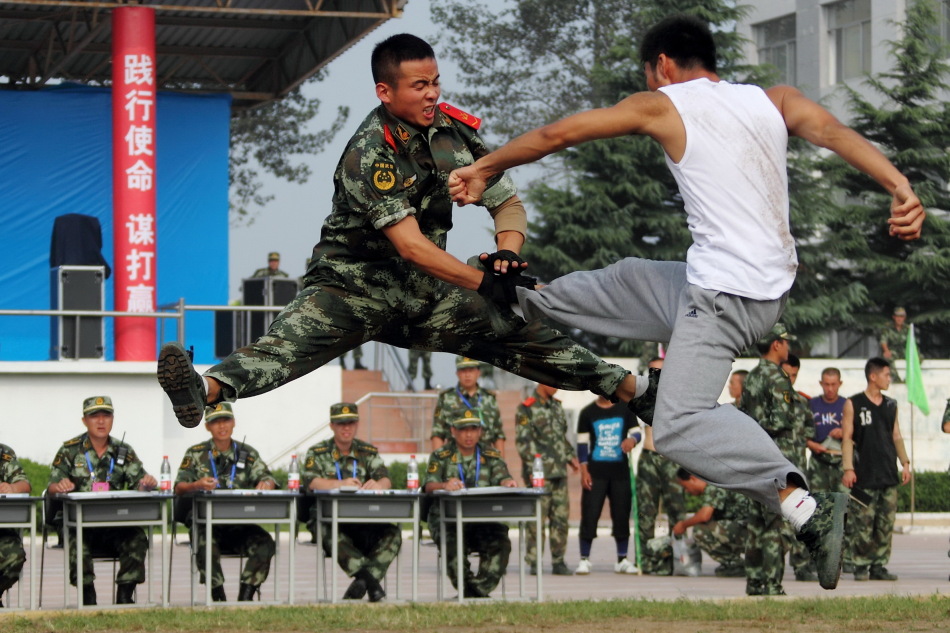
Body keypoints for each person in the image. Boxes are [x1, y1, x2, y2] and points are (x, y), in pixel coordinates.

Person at [448, 14, 925, 591]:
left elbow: (560, 135)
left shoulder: (664, 104)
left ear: (663, 67)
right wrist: (900, 187)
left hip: (725, 298)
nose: (649, 90)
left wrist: (483, 167)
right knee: (628, 279)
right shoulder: (772, 100)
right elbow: (834, 133)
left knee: (676, 424)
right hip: (740, 287)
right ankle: (526, 302)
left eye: (650, 78)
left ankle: (805, 506)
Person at [158, 34, 654, 434]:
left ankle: (633, 391)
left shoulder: (453, 133)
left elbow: (507, 201)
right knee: (284, 349)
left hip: (422, 295)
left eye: (435, 82)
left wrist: (505, 256)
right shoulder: (369, 152)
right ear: (385, 92)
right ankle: (203, 393)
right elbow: (412, 247)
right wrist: (481, 283)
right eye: (419, 85)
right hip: (351, 287)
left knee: (519, 333)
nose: (433, 94)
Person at [47, 396, 156, 606]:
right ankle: (87, 596)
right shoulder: (70, 450)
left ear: (112, 419)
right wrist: (59, 486)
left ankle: (125, 595)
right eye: (94, 416)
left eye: (106, 416)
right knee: (76, 540)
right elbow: (52, 486)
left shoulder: (123, 451)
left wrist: (147, 483)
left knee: (137, 538)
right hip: (77, 523)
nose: (100, 421)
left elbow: (139, 485)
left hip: (112, 522)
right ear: (84, 421)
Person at [173, 402, 277, 602]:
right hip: (206, 524)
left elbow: (267, 478)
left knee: (265, 543)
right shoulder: (196, 453)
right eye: (216, 422)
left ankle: (246, 595)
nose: (222, 426)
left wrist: (267, 483)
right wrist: (197, 484)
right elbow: (179, 487)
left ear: (234, 422)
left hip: (240, 524)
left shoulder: (247, 454)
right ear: (207, 426)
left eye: (226, 420)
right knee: (204, 542)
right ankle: (217, 595)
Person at [301, 402, 400, 602]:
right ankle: (370, 582)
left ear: (356, 425)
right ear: (331, 426)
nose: (346, 428)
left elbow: (385, 477)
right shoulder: (317, 452)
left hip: (365, 520)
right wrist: (340, 483)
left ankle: (362, 583)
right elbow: (311, 482)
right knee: (327, 532)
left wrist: (380, 485)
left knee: (394, 533)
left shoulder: (367, 452)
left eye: (350, 423)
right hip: (330, 521)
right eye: (341, 424)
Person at [739, 324, 809, 594]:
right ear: (776, 345)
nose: (788, 347)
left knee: (756, 523)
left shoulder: (752, 377)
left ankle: (755, 582)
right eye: (785, 342)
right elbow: (782, 420)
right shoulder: (778, 379)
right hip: (777, 461)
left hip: (753, 460)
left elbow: (744, 417)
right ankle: (772, 584)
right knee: (777, 525)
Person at [423, 412, 518, 598]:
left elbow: (503, 476)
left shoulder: (491, 455)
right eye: (463, 430)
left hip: (482, 520)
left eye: (473, 429)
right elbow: (428, 486)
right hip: (447, 520)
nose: (469, 435)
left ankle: (475, 591)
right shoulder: (441, 456)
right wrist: (444, 485)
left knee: (500, 542)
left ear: (480, 431)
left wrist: (507, 482)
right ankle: (472, 592)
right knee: (451, 543)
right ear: (453, 431)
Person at [841, 357, 912, 581]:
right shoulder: (853, 403)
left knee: (885, 523)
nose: (889, 378)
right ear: (873, 376)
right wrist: (848, 468)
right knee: (862, 523)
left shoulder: (891, 405)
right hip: (863, 474)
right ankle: (861, 564)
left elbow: (896, 435)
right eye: (886, 374)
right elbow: (847, 438)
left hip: (888, 474)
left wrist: (905, 462)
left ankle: (879, 565)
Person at [574, 393, 639, 575]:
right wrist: (584, 470)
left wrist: (632, 440)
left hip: (620, 473)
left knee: (621, 513)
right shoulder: (587, 412)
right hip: (596, 473)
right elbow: (582, 445)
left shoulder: (625, 408)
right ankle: (584, 559)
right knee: (590, 512)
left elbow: (636, 432)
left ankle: (622, 559)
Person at [516, 383, 577, 576]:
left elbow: (561, 437)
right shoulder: (526, 408)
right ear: (542, 382)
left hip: (559, 472)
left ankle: (559, 561)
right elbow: (524, 443)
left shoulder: (557, 406)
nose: (557, 387)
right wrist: (538, 466)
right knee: (537, 520)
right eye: (554, 382)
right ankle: (535, 561)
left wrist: (570, 457)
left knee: (560, 518)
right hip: (539, 475)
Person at [634, 358, 686, 576]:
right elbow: (634, 428)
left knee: (677, 511)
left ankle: (680, 558)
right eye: (653, 371)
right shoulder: (642, 396)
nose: (657, 375)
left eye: (661, 370)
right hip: (649, 458)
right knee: (646, 511)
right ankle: (646, 560)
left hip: (672, 459)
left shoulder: (680, 397)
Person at [778, 352, 819, 583]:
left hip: (798, 470)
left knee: (802, 519)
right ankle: (769, 567)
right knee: (776, 521)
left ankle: (802, 566)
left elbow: (810, 434)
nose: (790, 379)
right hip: (776, 470)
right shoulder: (771, 400)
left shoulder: (803, 403)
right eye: (786, 374)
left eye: (793, 375)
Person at [673, 468, 750, 578]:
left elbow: (704, 515)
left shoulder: (713, 485)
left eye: (685, 487)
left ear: (693, 479)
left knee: (700, 531)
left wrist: (683, 525)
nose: (687, 491)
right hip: (752, 532)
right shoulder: (718, 482)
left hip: (752, 533)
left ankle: (735, 565)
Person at [431, 356, 505, 452]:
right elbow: (438, 433)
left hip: (485, 460)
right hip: (455, 459)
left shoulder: (489, 399)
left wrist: (501, 464)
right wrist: (438, 462)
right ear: (457, 373)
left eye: (471, 370)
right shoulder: (446, 399)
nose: (467, 375)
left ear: (478, 373)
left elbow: (498, 434)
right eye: (463, 371)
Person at [0, 443, 30, 608]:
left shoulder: (4, 453)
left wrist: (12, 487)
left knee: (15, 556)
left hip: (1, 530)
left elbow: (24, 485)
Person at [807, 368, 847, 493]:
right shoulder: (812, 404)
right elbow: (800, 431)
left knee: (841, 507)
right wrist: (811, 445)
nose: (830, 389)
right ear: (821, 383)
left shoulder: (847, 405)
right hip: (819, 461)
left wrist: (843, 432)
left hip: (841, 461)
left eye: (833, 384)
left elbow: (858, 433)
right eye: (826, 384)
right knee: (819, 506)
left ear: (840, 383)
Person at [879, 307, 908, 382]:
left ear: (904, 318)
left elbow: (911, 342)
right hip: (892, 350)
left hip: (904, 350)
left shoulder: (907, 328)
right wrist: (886, 350)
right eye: (897, 316)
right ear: (894, 317)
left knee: (919, 357)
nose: (899, 319)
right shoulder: (887, 328)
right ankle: (896, 379)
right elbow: (883, 341)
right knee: (888, 357)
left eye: (901, 316)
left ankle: (908, 378)